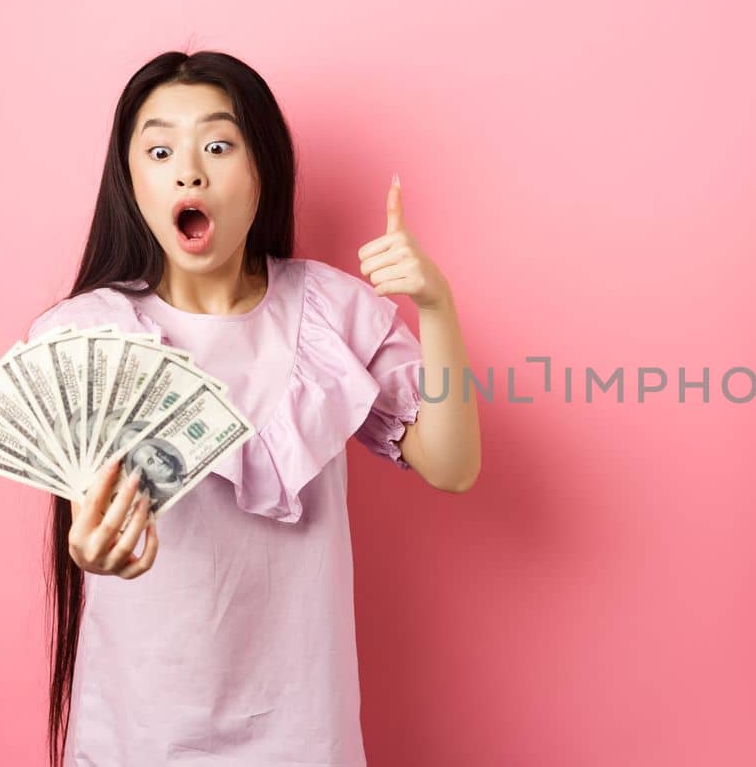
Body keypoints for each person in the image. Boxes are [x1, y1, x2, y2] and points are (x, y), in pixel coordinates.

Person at [25, 50, 482, 766]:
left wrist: (438, 307)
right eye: (160, 149)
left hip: (303, 732)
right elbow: (88, 510)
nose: (189, 170)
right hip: (138, 733)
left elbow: (453, 467)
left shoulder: (331, 311)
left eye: (217, 144)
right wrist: (88, 550)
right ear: (132, 181)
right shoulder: (86, 334)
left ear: (260, 168)